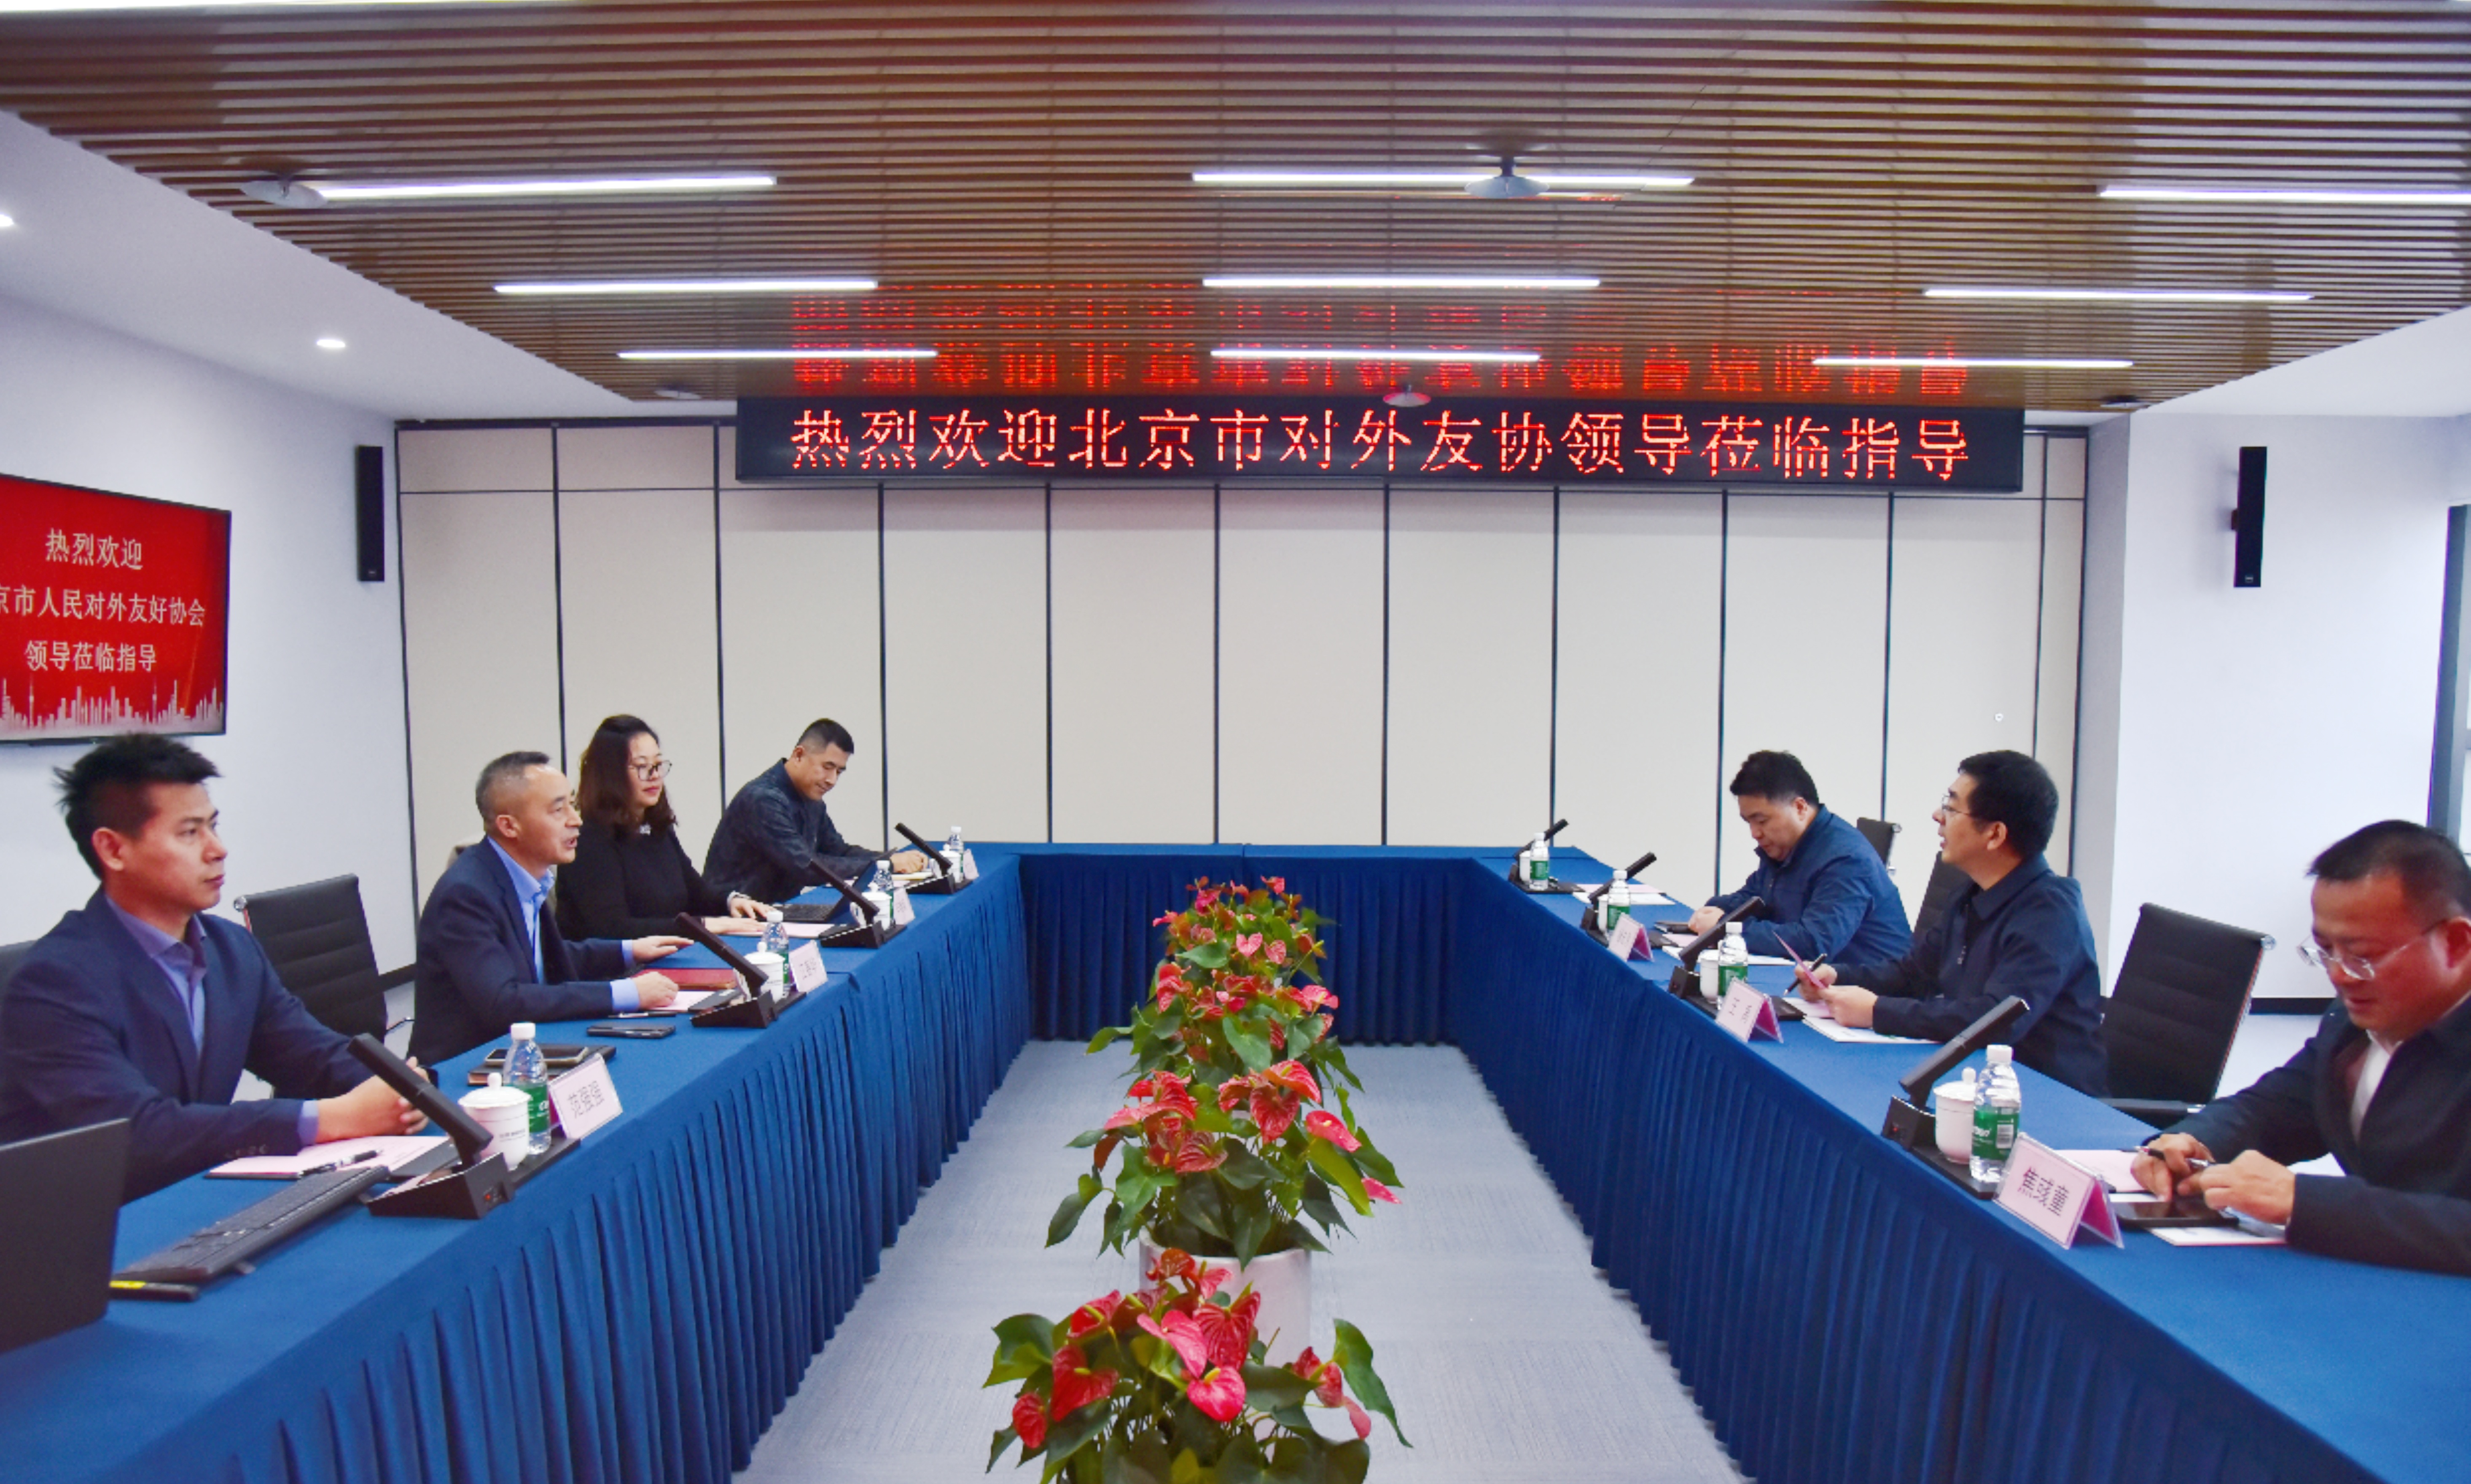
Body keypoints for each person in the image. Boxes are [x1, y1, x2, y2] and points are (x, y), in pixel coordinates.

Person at [0, 734, 425, 1200]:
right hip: (94, 1218)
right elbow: (136, 1132)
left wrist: (398, 1086)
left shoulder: (230, 949)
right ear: (114, 850)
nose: (217, 849)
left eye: (213, 826)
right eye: (190, 833)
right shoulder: (54, 982)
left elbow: (310, 1054)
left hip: (195, 1192)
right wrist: (329, 1119)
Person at [2133, 821, 2471, 1276]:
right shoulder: (2354, 1022)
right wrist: (2193, 1142)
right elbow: (2278, 1106)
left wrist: (2305, 1202)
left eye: (2363, 956)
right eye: (2324, 950)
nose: (2339, 975)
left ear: (2455, 943)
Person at [1804, 750, 2107, 1095]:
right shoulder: (1971, 892)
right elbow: (1914, 974)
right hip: (1976, 1079)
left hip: (2044, 1097)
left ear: (1995, 834)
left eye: (1951, 807)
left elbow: (1996, 1020)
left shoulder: (2050, 913)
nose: (1937, 816)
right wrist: (1838, 976)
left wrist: (1877, 1012)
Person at [411, 752, 690, 1065]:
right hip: (465, 1070)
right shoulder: (466, 895)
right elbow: (504, 1001)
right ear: (510, 826)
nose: (576, 820)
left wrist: (629, 950)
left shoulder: (526, 876)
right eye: (559, 810)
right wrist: (624, 993)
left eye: (572, 804)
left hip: (522, 1053)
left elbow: (538, 959)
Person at [1685, 750, 1912, 965]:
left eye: (1762, 821)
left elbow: (1813, 944)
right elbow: (1754, 899)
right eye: (1749, 823)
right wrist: (1715, 909)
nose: (1755, 833)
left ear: (1800, 808)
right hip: (1818, 980)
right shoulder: (1785, 847)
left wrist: (1726, 929)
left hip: (1869, 986)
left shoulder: (1846, 860)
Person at [558, 715, 767, 941]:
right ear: (611, 774)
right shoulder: (589, 842)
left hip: (669, 952)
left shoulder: (657, 829)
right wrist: (702, 926)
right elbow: (613, 930)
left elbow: (697, 894)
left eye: (658, 765)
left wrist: (731, 902)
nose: (655, 776)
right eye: (642, 767)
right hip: (617, 963)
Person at [702, 718, 925, 904]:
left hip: (773, 912)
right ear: (799, 755)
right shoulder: (764, 800)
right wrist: (886, 866)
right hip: (733, 916)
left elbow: (838, 851)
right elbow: (806, 867)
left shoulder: (810, 797)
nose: (832, 780)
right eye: (827, 767)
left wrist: (888, 859)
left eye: (839, 772)